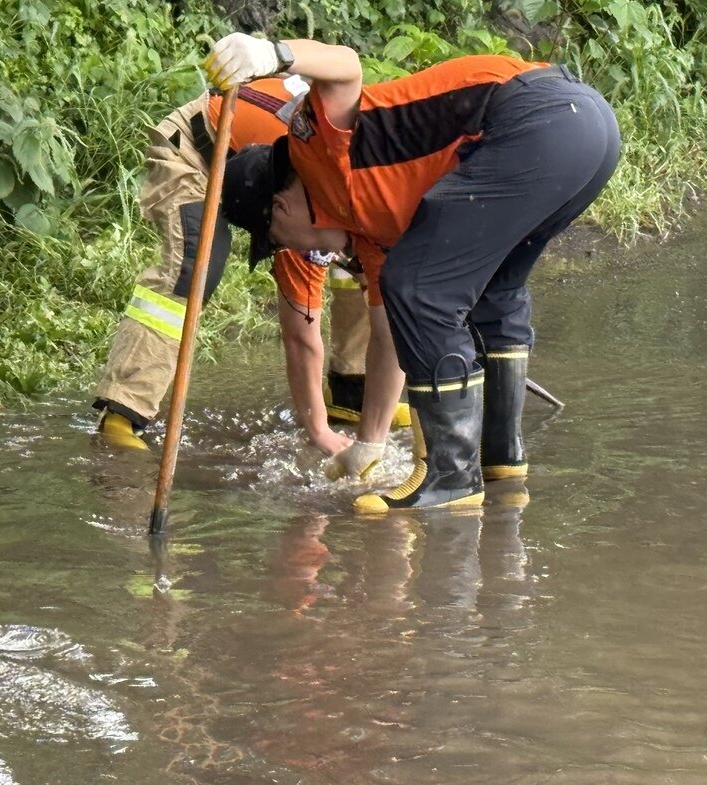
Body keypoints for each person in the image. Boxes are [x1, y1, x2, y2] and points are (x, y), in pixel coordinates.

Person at [214, 36, 620, 513]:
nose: (296, 251)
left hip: (536, 119)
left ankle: (452, 477)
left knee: (419, 286)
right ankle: (500, 461)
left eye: (279, 239)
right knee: (492, 293)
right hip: (588, 130)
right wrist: (370, 444)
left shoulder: (314, 145)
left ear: (279, 206)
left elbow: (344, 66)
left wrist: (273, 55)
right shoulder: (369, 232)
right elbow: (391, 334)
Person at [92, 76, 408, 470]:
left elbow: (388, 301)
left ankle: (350, 394)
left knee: (363, 266)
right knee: (193, 266)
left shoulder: (359, 182)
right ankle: (124, 408)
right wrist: (318, 432)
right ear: (277, 210)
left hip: (263, 161)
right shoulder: (300, 214)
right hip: (198, 148)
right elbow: (300, 338)